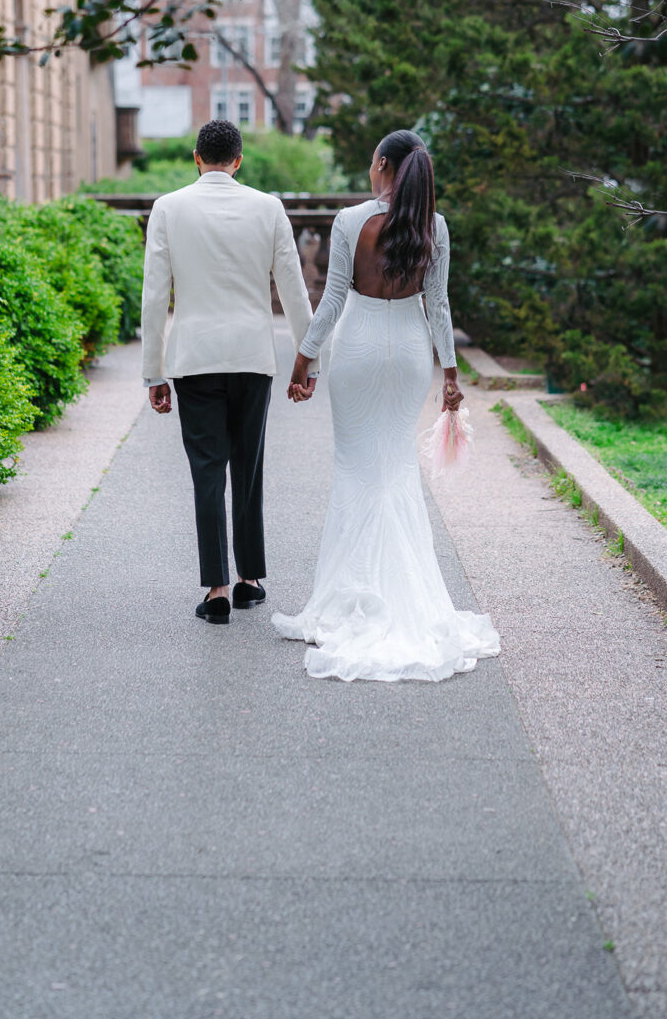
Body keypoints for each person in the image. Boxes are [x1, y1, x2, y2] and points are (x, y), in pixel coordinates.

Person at [272, 129, 500, 681]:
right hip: (409, 356)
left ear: (380, 165)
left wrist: (304, 358)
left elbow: (331, 300)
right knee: (396, 469)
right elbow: (439, 306)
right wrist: (450, 373)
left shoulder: (351, 222)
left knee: (355, 470)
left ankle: (348, 598)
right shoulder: (434, 227)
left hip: (358, 347)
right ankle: (408, 598)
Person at [141, 119, 317, 626]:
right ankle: (250, 580)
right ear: (238, 160)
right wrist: (309, 360)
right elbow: (294, 288)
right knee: (248, 466)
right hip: (252, 356)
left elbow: (155, 296)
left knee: (206, 470)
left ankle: (217, 587)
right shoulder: (268, 207)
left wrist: (153, 373)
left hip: (194, 359)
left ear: (196, 157)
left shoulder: (169, 208)